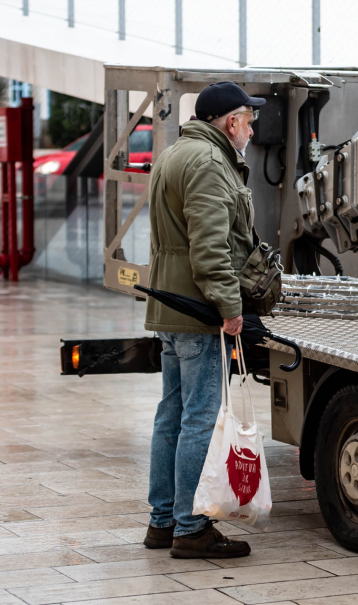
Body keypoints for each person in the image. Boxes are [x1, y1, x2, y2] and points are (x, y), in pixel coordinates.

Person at [143, 81, 263, 559]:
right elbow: (210, 249)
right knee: (198, 417)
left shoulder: (175, 153)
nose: (252, 129)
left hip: (170, 304)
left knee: (170, 415)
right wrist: (230, 308)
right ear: (231, 121)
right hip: (196, 308)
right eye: (248, 120)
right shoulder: (211, 164)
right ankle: (190, 529)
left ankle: (162, 521)